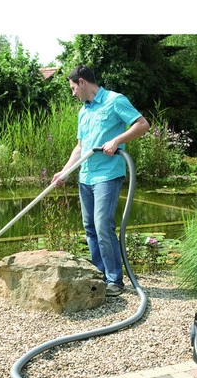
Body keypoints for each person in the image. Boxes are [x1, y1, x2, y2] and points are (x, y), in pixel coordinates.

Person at [52, 65, 150, 296]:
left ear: (83, 82)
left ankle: (115, 280)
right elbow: (80, 147)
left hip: (108, 174)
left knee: (102, 225)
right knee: (90, 228)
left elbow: (142, 124)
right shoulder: (83, 112)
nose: (73, 93)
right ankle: (100, 275)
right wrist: (65, 171)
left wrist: (117, 141)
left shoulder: (115, 101)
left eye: (73, 88)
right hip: (86, 175)